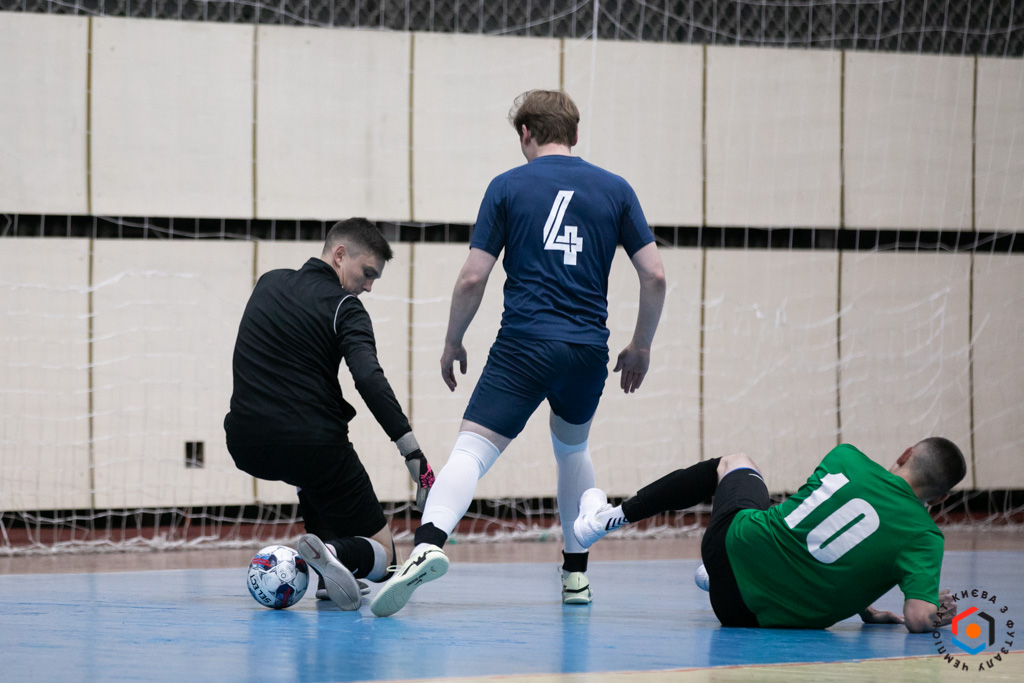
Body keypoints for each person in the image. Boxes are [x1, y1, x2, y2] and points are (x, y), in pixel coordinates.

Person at [370, 89, 667, 617]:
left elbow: (473, 277)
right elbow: (655, 275)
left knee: (470, 452)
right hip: (586, 350)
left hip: (523, 346)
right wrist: (641, 344)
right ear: (575, 134)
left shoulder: (507, 186)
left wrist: (453, 339)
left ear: (525, 133)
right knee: (572, 450)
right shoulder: (617, 189)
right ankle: (575, 576)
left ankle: (427, 545)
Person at [224, 218, 434, 611]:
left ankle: (326, 576)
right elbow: (368, 378)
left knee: (311, 476)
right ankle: (335, 554)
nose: (368, 287)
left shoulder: (268, 282)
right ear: (339, 255)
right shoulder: (345, 308)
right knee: (387, 561)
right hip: (313, 446)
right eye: (367, 273)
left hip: (244, 443)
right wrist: (411, 452)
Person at [572, 438, 965, 631]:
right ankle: (714, 576)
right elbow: (918, 616)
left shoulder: (848, 458)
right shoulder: (925, 538)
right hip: (741, 614)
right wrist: (932, 611)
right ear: (941, 497)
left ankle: (605, 520)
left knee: (735, 462)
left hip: (729, 548)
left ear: (905, 453)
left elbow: (819, 528)